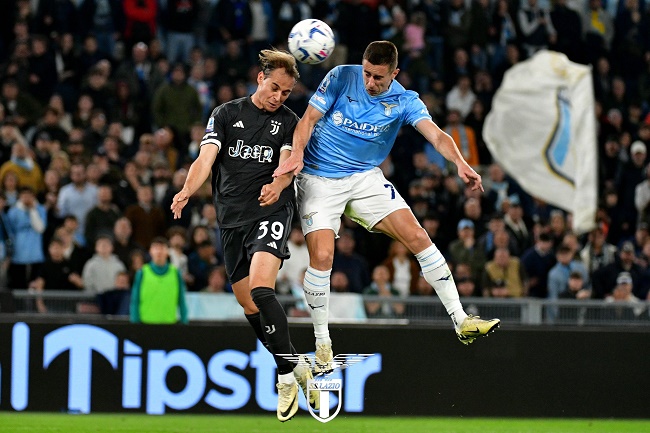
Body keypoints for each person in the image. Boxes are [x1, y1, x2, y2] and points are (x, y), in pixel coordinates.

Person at [274, 40, 500, 371]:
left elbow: (438, 136)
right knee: (322, 257)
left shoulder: (405, 101)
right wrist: (296, 154)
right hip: (319, 177)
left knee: (419, 237)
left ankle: (461, 319)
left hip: (364, 177)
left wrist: (460, 163)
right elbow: (307, 120)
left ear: (394, 74)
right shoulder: (341, 77)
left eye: (378, 77)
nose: (369, 82)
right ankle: (322, 343)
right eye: (366, 73)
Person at [170, 49, 318, 422]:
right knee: (249, 305)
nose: (279, 97)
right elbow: (205, 159)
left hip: (271, 211)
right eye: (274, 88)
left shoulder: (288, 121)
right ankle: (294, 365)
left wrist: (277, 185)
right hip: (231, 221)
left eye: (286, 92)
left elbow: (289, 164)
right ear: (260, 78)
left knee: (261, 290)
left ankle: (285, 377)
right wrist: (187, 190)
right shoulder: (225, 114)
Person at [130, 237, 188, 324]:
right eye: (155, 248)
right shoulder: (142, 273)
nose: (159, 252)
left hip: (169, 324)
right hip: (146, 324)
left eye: (162, 248)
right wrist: (135, 322)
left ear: (168, 252)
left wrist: (184, 321)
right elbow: (135, 299)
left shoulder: (175, 273)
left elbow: (181, 299)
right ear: (150, 251)